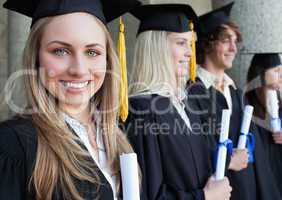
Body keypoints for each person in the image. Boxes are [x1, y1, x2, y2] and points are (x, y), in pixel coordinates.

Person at [0, 0, 141, 199]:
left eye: (92, 52)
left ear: (108, 59)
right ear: (36, 57)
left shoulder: (116, 136)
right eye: (60, 51)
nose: (79, 70)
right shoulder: (12, 146)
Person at [122, 4, 232, 200]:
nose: (190, 52)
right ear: (157, 48)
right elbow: (149, 194)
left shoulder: (185, 104)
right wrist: (204, 197)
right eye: (181, 43)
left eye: (189, 44)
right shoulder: (142, 110)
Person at [186, 2, 281, 200]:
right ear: (208, 42)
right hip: (218, 191)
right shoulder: (192, 93)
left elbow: (259, 159)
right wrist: (229, 159)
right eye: (226, 40)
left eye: (235, 41)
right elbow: (192, 151)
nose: (233, 48)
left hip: (248, 189)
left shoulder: (236, 93)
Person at [246, 53, 282, 196]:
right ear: (260, 73)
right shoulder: (246, 108)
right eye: (276, 71)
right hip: (260, 182)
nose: (281, 76)